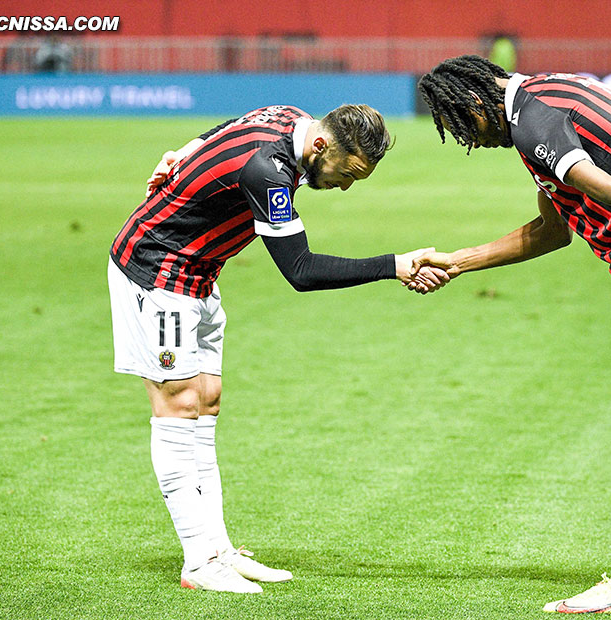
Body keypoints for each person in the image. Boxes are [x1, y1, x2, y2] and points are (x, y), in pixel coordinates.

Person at [415, 55, 611, 614]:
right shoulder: (554, 92)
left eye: (465, 129)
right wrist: (459, 261)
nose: (472, 141)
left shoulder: (533, 119)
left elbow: (608, 191)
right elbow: (553, 229)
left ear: (475, 104)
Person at [108, 103, 447, 593]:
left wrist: (185, 149)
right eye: (346, 173)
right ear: (321, 146)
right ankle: (198, 561)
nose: (345, 187)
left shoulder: (291, 116)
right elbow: (301, 271)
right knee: (179, 405)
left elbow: (230, 123)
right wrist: (393, 264)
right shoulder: (269, 172)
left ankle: (218, 549)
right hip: (156, 270)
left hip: (199, 274)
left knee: (206, 403)